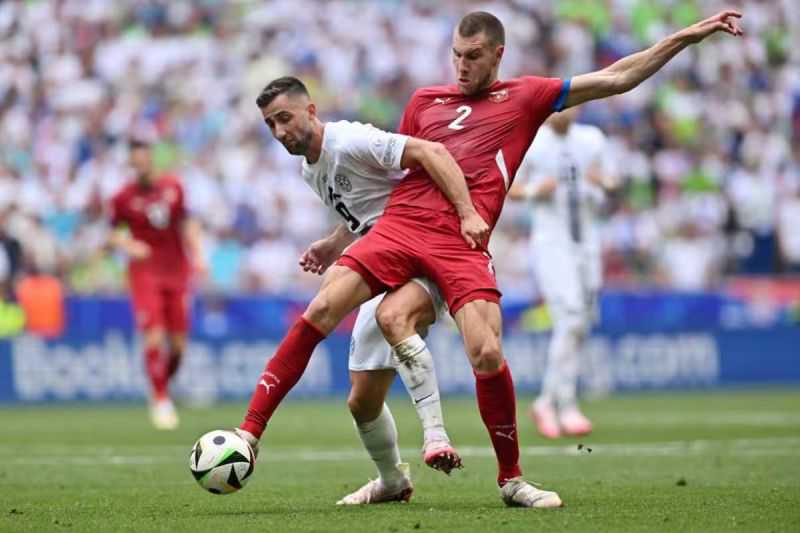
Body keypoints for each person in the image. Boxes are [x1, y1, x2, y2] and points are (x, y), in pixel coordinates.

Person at [236, 9, 743, 509]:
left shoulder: (527, 96)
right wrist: (338, 239)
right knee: (323, 309)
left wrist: (685, 37)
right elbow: (398, 181)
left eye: (473, 57)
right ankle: (250, 434)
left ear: (498, 54)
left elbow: (617, 77)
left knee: (486, 352)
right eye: (456, 55)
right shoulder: (424, 100)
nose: (462, 66)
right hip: (402, 227)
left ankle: (512, 479)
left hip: (461, 240)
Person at [240, 76, 483, 504]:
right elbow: (373, 205)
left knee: (379, 317)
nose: (279, 132)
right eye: (270, 125)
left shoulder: (350, 140)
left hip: (424, 250)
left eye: (285, 119)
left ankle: (435, 436)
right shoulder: (309, 169)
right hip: (379, 259)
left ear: (311, 111)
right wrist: (335, 243)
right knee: (361, 404)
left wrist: (466, 212)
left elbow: (428, 153)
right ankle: (393, 482)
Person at [508, 107, 619, 439]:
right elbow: (507, 185)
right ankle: (565, 404)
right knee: (570, 317)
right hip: (551, 242)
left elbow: (612, 180)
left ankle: (547, 401)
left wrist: (604, 182)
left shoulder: (592, 139)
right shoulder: (532, 142)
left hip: (587, 240)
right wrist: (532, 192)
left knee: (581, 322)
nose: (565, 111)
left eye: (572, 104)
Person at [109, 138, 205, 430]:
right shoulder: (122, 197)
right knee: (153, 335)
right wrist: (129, 244)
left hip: (177, 270)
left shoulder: (173, 187)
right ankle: (160, 398)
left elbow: (186, 222)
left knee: (178, 347)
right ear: (131, 164)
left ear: (151, 160)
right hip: (144, 272)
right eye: (135, 162)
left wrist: (198, 253)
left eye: (144, 160)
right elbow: (113, 233)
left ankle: (163, 385)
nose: (140, 165)